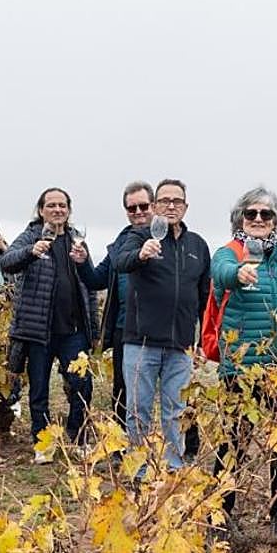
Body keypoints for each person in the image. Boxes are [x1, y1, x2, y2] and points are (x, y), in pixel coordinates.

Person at [210, 187, 277, 537]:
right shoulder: (229, 254)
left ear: (275, 222)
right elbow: (222, 273)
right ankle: (220, 514)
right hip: (240, 369)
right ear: (240, 218)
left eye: (265, 215)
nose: (257, 219)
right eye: (251, 213)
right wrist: (238, 274)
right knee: (233, 442)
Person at [112, 179, 210, 469]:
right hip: (141, 342)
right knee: (138, 410)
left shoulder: (198, 246)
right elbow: (120, 261)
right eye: (165, 200)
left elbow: (204, 295)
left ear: (186, 206)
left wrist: (203, 340)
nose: (171, 205)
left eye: (177, 201)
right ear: (154, 206)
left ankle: (172, 470)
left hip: (180, 345)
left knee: (175, 412)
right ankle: (140, 470)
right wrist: (141, 255)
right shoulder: (140, 235)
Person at [0, 188, 98, 454]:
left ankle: (77, 436)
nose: (57, 210)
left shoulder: (77, 240)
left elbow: (88, 288)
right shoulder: (32, 235)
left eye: (62, 205)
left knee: (82, 385)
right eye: (51, 205)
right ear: (41, 210)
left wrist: (94, 329)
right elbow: (6, 262)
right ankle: (43, 443)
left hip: (73, 331)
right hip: (38, 331)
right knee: (39, 391)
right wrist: (30, 251)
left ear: (69, 210)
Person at [89, 181, 155, 437]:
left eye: (143, 206)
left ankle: (182, 448)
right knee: (122, 390)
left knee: (174, 393)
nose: (138, 212)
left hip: (163, 330)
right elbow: (96, 280)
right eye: (132, 208)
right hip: (125, 329)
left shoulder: (170, 240)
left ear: (154, 205)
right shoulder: (119, 245)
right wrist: (83, 261)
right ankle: (122, 444)